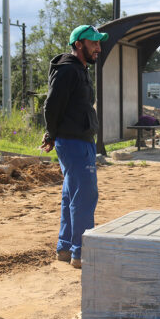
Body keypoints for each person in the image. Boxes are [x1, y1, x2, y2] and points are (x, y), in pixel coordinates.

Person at [40, 25, 108, 269]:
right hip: (74, 142)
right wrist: (52, 133)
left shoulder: (79, 69)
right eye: (93, 42)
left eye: (99, 43)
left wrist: (52, 134)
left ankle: (66, 248)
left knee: (72, 195)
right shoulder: (68, 69)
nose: (98, 47)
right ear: (79, 44)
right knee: (86, 195)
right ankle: (81, 252)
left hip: (79, 140)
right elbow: (51, 105)